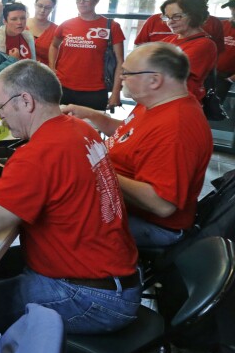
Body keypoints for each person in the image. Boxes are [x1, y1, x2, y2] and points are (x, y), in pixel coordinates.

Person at [0, 59, 140, 350]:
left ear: (26, 101)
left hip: (93, 297)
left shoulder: (39, 154)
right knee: (1, 265)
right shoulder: (81, 129)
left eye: (2, 107)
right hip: (116, 274)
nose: (2, 116)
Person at [63, 43, 212, 248]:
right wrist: (91, 115)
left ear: (154, 80)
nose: (121, 78)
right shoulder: (155, 103)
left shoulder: (176, 129)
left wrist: (95, 168)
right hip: (122, 203)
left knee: (52, 216)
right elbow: (132, 135)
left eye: (127, 73)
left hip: (153, 227)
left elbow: (161, 204)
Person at [48, 0, 124, 110]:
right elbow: (54, 45)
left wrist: (116, 93)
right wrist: (52, 69)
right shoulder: (66, 25)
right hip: (63, 88)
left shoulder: (112, 27)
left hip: (95, 91)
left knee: (90, 129)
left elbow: (120, 62)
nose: (81, 2)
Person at [135, 0, 224, 52]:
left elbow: (215, 54)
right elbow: (139, 49)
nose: (170, 22)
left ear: (205, 1)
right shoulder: (155, 21)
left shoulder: (213, 25)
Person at [159, 0, 217, 101]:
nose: (170, 22)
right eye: (167, 17)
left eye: (176, 17)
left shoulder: (205, 45)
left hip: (179, 102)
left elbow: (171, 75)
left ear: (194, 15)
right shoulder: (169, 39)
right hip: (160, 98)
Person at [27, 0, 58, 66]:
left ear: (52, 9)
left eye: (47, 7)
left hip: (43, 73)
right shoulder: (21, 24)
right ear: (35, 5)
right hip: (18, 72)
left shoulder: (56, 30)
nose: (42, 10)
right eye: (40, 6)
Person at [217, 0, 235, 98]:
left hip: (228, 79)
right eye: (233, 6)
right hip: (210, 75)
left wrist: (231, 79)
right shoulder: (220, 25)